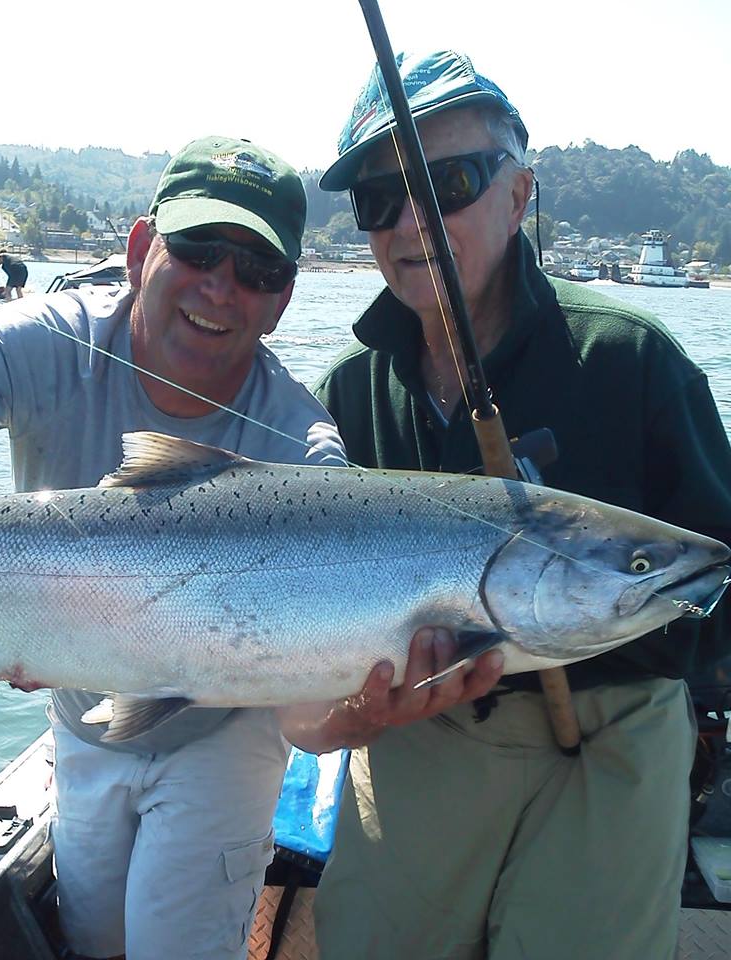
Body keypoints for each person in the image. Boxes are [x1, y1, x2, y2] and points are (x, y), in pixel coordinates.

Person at [0, 133, 502, 960]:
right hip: (84, 719)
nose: (221, 289)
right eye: (198, 251)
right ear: (139, 248)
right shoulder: (41, 340)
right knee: (91, 934)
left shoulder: (305, 449)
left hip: (225, 735)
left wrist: (359, 715)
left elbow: (300, 713)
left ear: (284, 299)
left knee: (174, 942)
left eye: (257, 270)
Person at [280, 50, 731, 960]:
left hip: (615, 723)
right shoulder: (348, 393)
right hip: (427, 726)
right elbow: (308, 689)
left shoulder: (631, 362)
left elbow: (716, 573)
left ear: (521, 193)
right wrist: (358, 715)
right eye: (378, 200)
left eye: (446, 183)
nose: (410, 221)